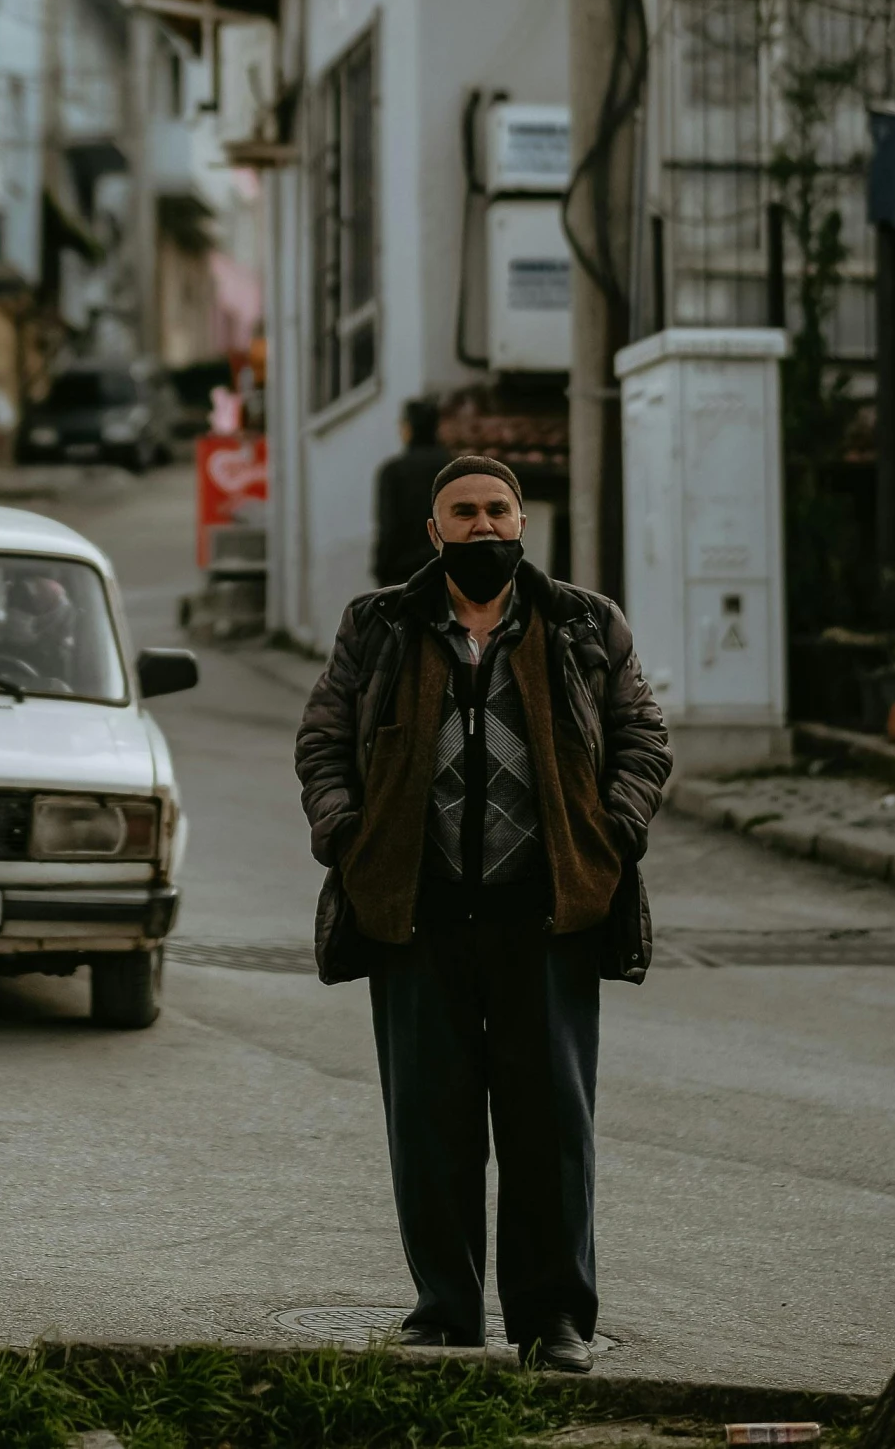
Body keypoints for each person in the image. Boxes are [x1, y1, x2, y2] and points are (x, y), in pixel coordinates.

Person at [296, 454, 672, 1368]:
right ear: (433, 532)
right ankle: (443, 1310)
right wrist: (347, 836)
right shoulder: (380, 623)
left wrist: (608, 835)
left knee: (549, 1125)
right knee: (430, 1121)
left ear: (520, 525)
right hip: (416, 913)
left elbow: (643, 739)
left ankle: (553, 1322)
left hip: (543, 913)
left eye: (496, 510)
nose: (480, 526)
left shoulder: (583, 623)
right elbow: (321, 740)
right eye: (461, 512)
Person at [371, 398, 451, 586]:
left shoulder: (394, 471)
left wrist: (381, 572)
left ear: (408, 428)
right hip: (448, 573)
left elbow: (388, 528)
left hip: (404, 575)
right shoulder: (455, 468)